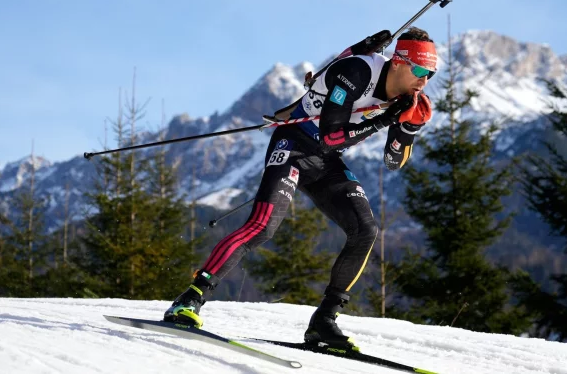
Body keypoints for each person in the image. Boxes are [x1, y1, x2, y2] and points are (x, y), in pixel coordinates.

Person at [164, 27, 437, 350]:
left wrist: (408, 127)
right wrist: (381, 121)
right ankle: (190, 299)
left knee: (365, 230)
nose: (424, 81)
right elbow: (331, 136)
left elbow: (393, 161)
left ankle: (324, 321)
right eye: (420, 71)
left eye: (430, 74)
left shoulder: (412, 100)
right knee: (263, 226)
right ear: (398, 61)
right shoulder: (357, 71)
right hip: (294, 145)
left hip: (326, 161)